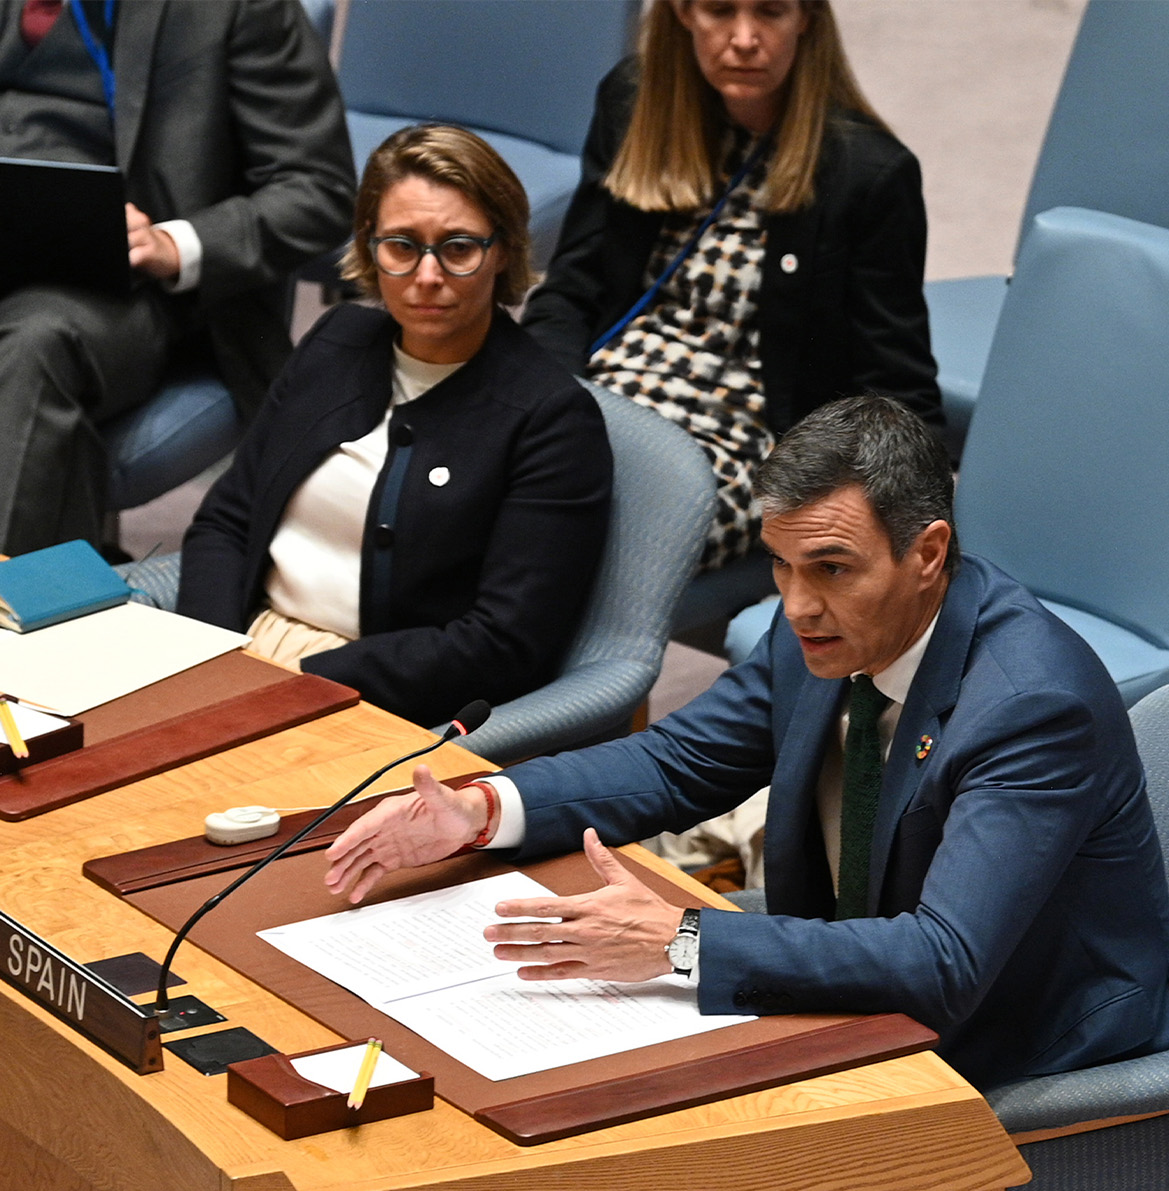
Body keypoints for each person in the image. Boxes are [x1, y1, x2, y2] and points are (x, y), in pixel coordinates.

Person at [320, 394, 1169, 1191]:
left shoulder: (1027, 705)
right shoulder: (820, 626)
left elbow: (947, 962)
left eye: (830, 569)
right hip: (858, 1019)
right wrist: (487, 809)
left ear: (929, 553)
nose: (797, 602)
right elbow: (681, 757)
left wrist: (686, 940)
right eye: (779, 565)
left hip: (1025, 1066)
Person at [175, 124, 613, 727]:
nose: (427, 276)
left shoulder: (551, 420)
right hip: (239, 651)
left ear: (503, 250)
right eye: (402, 246)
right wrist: (209, 655)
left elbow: (505, 643)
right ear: (369, 246)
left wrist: (301, 684)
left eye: (458, 248)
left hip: (374, 694)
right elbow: (227, 519)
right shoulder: (335, 341)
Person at [523, 0, 942, 574]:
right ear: (683, 13)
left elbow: (898, 387)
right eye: (720, 11)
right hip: (601, 398)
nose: (744, 39)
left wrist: (893, 521)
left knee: (569, 538)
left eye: (769, 12)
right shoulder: (634, 103)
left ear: (806, 19)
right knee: (457, 481)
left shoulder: (867, 174)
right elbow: (572, 285)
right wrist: (540, 398)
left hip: (746, 445)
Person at [0, 0, 353, 556]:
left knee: (35, 345)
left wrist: (174, 243)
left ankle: (13, 615)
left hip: (130, 285)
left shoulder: (235, 8)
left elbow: (319, 190)